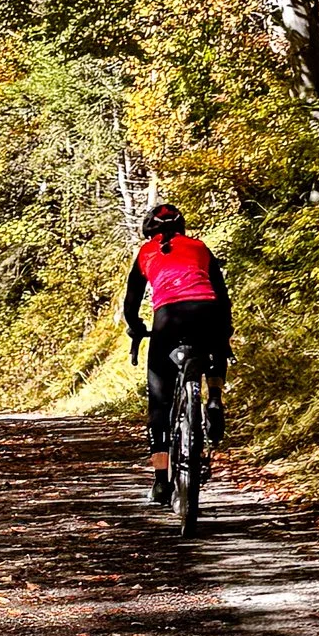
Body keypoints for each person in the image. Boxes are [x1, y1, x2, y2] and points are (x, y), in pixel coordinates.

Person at [122, 201, 230, 500]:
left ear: (150, 231)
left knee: (159, 401)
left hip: (168, 318)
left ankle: (160, 481)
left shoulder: (146, 253)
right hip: (206, 309)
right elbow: (222, 296)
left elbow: (131, 303)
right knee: (218, 340)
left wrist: (136, 326)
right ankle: (215, 396)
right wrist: (225, 333)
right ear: (180, 227)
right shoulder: (199, 247)